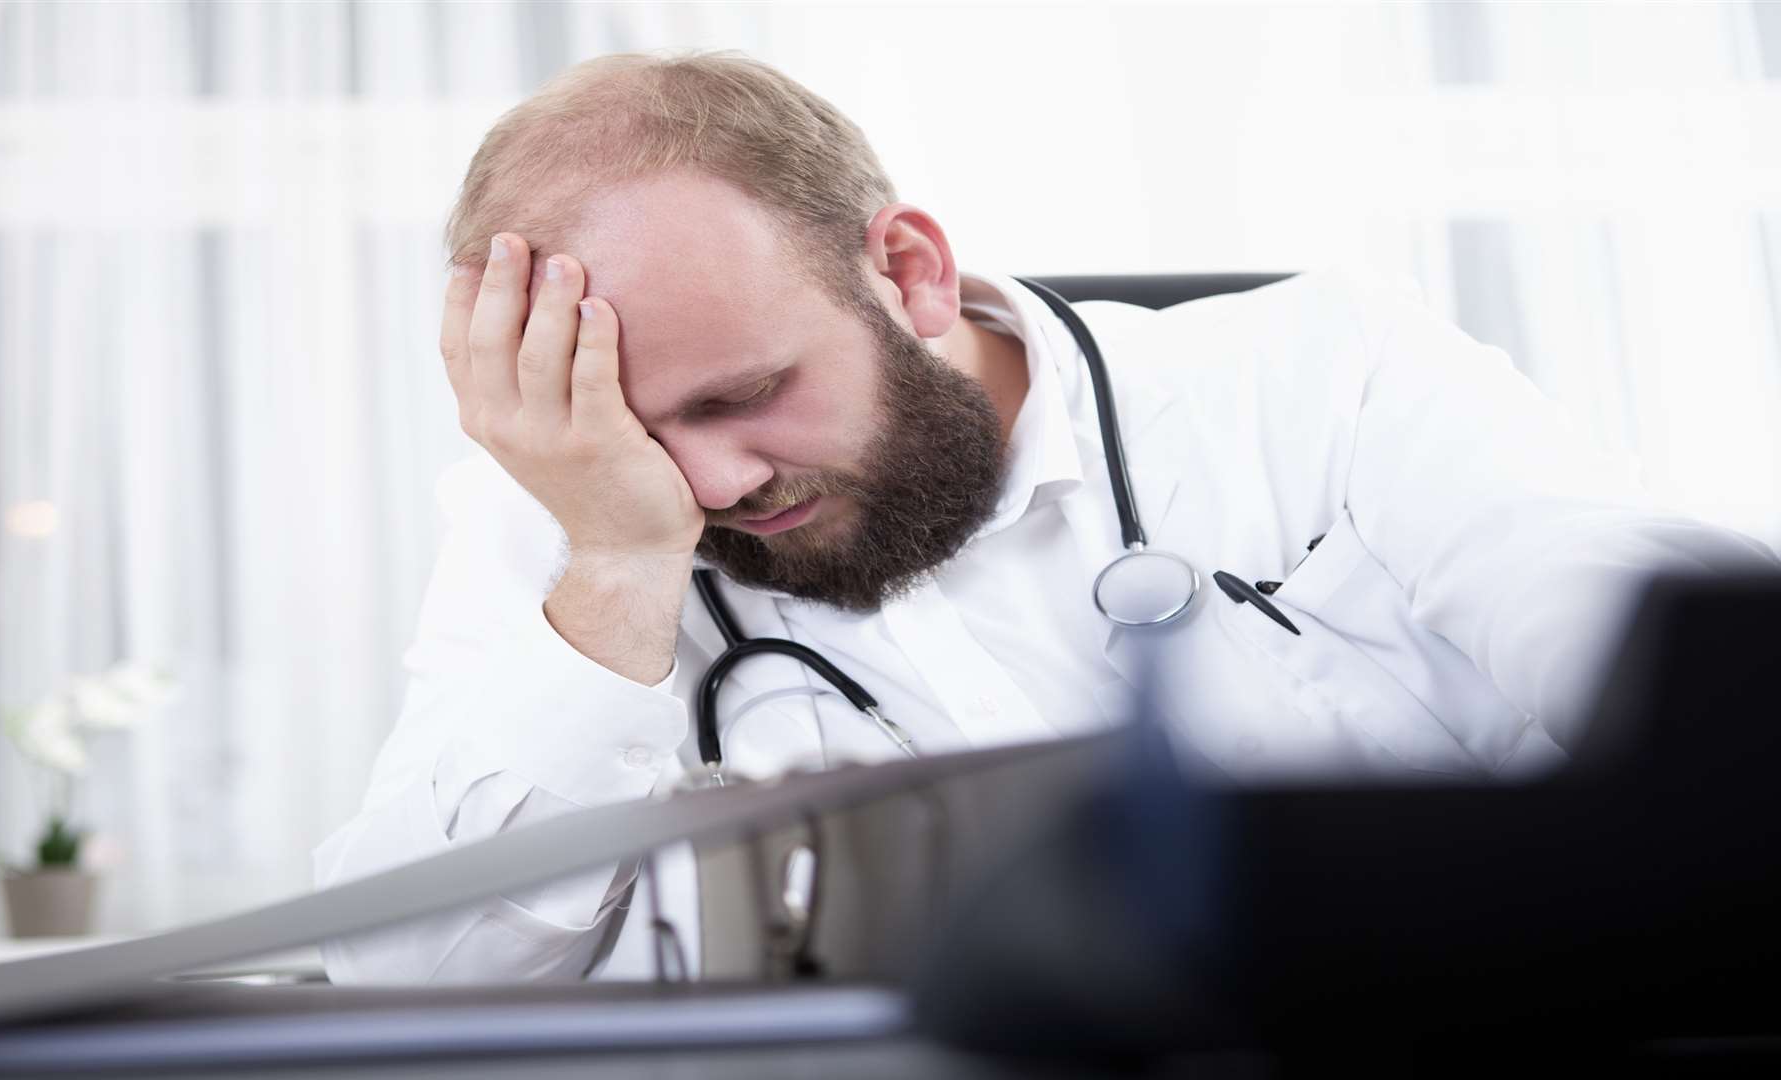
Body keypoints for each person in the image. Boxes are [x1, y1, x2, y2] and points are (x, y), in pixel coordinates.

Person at [311, 49, 1776, 984]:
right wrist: (618, 564)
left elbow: (1689, 710)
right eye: (642, 433)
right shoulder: (567, 525)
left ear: (910, 269)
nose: (711, 486)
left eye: (745, 392)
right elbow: (408, 981)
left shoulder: (1323, 372)